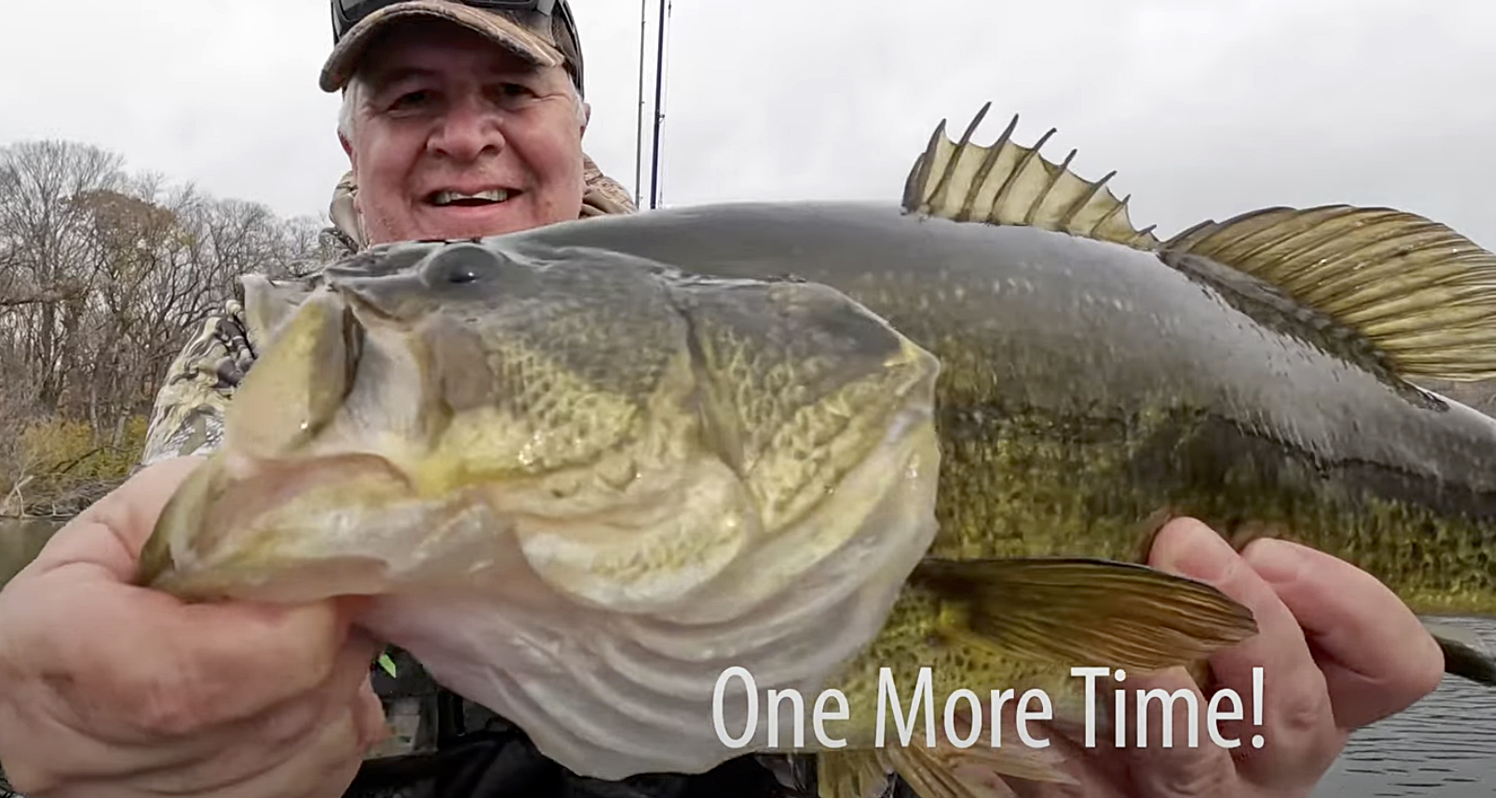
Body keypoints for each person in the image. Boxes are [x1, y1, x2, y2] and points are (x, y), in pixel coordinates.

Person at [0, 2, 1446, 797]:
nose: (462, 136)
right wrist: (63, 743)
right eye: (406, 97)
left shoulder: (742, 336)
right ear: (351, 134)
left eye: (506, 83)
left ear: (575, 108)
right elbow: (148, 609)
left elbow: (944, 704)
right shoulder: (276, 374)